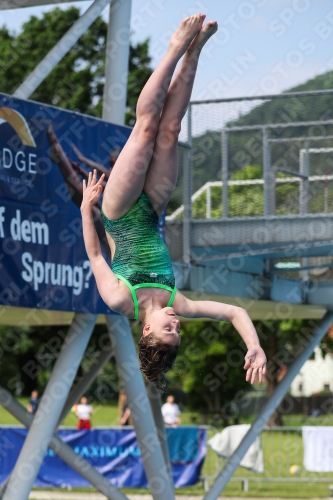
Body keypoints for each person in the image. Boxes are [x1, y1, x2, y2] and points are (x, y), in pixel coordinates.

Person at [81, 14, 267, 391]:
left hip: (118, 211)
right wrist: (255, 346)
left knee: (147, 129)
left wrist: (87, 208)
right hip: (151, 208)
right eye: (177, 331)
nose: (176, 324)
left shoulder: (120, 300)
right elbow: (235, 312)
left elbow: (97, 257)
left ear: (147, 328)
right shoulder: (177, 302)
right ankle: (194, 50)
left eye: (169, 330)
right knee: (170, 130)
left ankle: (174, 48)